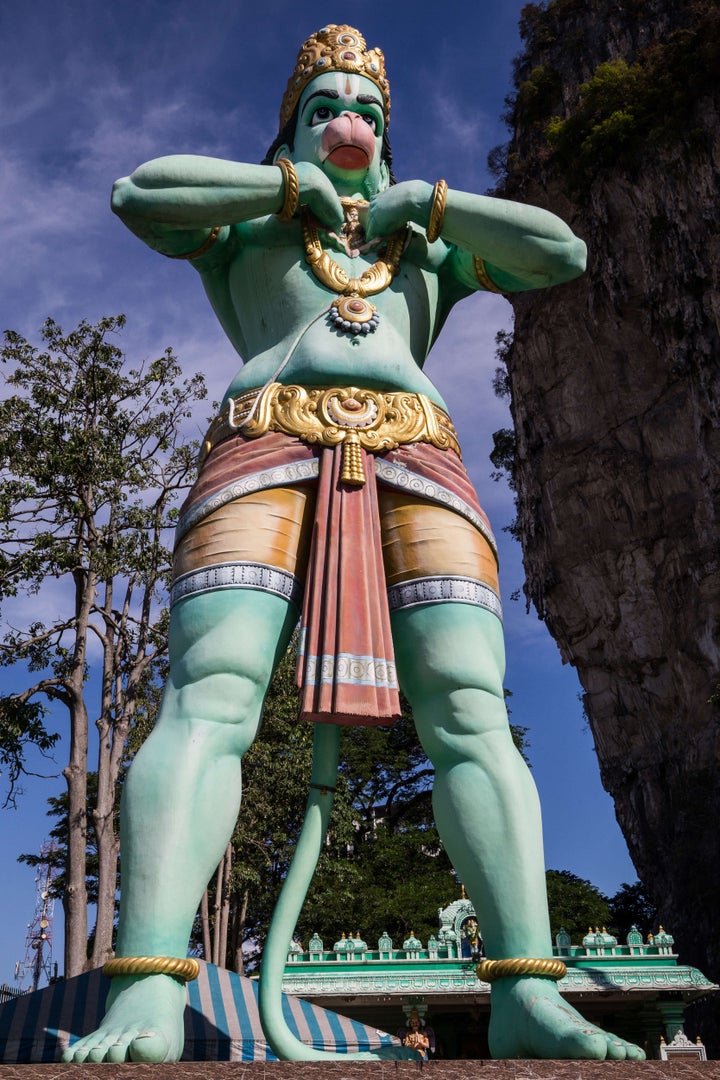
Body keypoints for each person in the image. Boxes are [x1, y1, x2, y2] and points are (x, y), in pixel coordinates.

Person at [63, 25, 644, 1063]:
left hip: (419, 453)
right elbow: (140, 194)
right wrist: (285, 193)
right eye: (325, 105)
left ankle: (526, 988)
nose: (349, 124)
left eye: (369, 113)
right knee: (212, 694)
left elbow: (562, 253)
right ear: (289, 125)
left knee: (469, 707)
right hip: (267, 439)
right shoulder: (250, 225)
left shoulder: (427, 245)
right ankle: (147, 986)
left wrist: (426, 206)